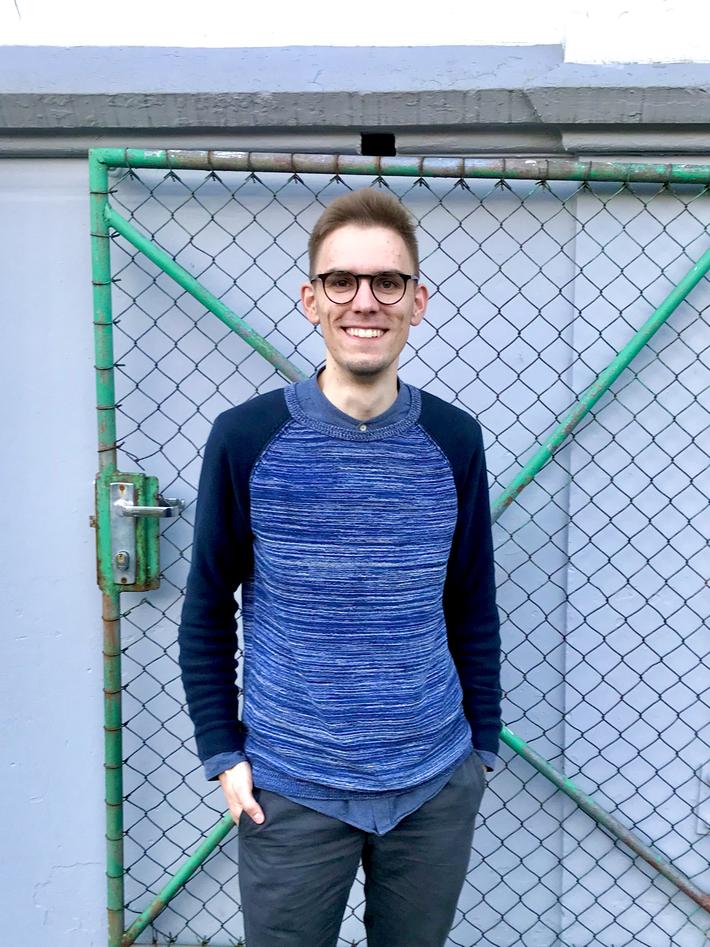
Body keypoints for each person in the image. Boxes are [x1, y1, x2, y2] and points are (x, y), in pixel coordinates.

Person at [178, 187, 502, 947]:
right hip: (291, 786)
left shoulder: (454, 439)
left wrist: (480, 748)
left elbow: (472, 601)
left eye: (387, 282)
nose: (365, 301)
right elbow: (206, 608)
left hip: (431, 783)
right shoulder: (247, 437)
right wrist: (223, 753)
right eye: (342, 280)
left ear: (417, 301)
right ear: (311, 299)